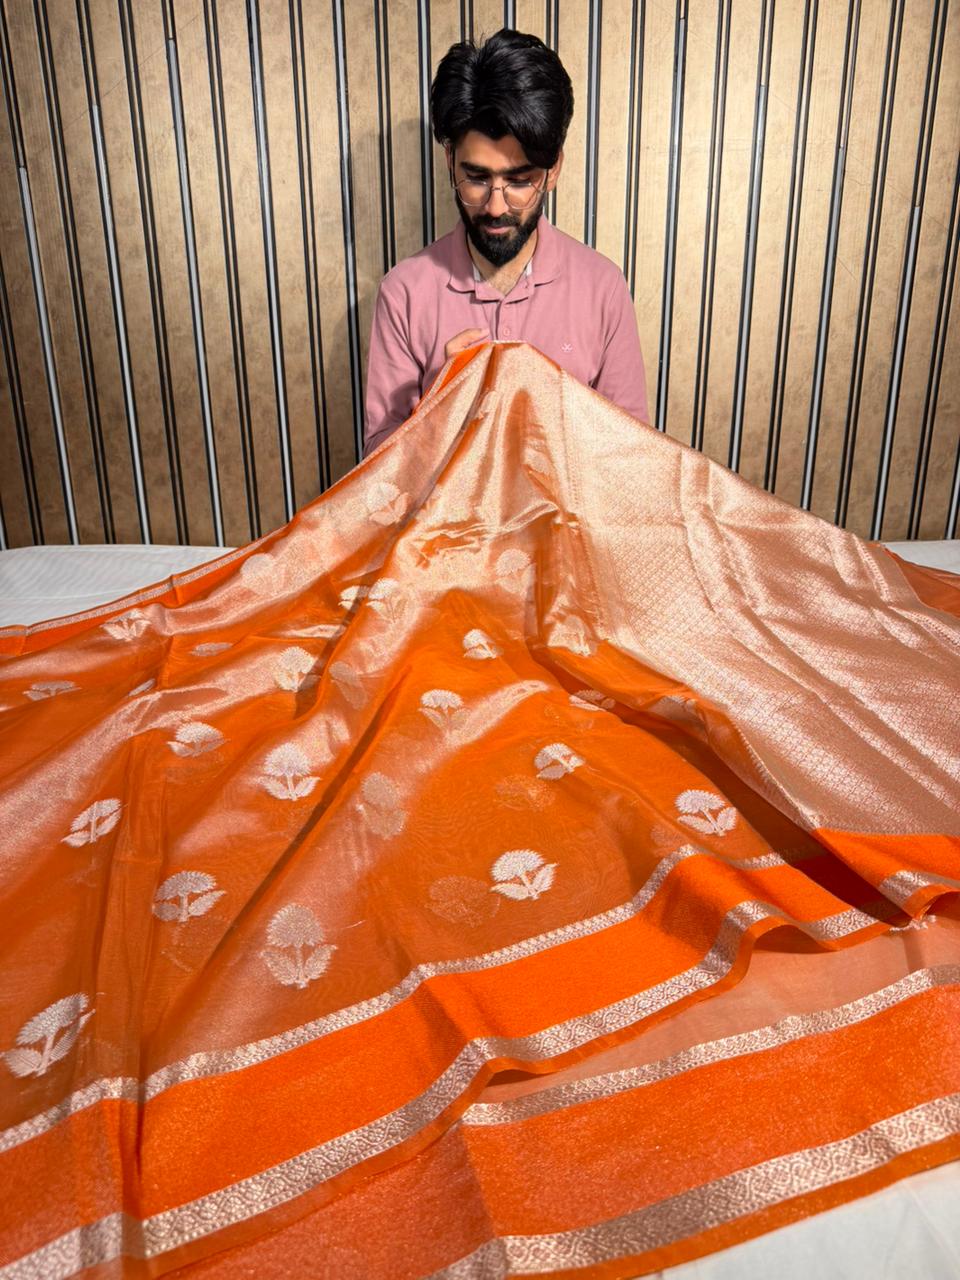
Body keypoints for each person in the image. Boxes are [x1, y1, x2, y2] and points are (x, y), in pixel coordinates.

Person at [362, 28, 649, 456]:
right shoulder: (403, 293)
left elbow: (634, 455)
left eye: (519, 181)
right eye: (476, 177)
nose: (495, 207)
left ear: (553, 170)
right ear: (450, 161)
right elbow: (376, 467)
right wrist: (439, 407)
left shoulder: (602, 287)